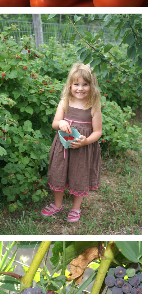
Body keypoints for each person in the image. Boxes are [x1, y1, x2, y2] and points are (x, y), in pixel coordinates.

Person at [41, 62, 102, 223]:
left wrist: (86, 141)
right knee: (58, 173)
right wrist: (60, 123)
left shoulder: (93, 107)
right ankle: (57, 204)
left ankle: (76, 208)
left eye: (85, 84)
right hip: (63, 148)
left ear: (92, 86)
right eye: (76, 84)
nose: (80, 88)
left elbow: (98, 131)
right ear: (70, 85)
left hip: (82, 149)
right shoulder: (64, 102)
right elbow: (55, 123)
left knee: (79, 175)